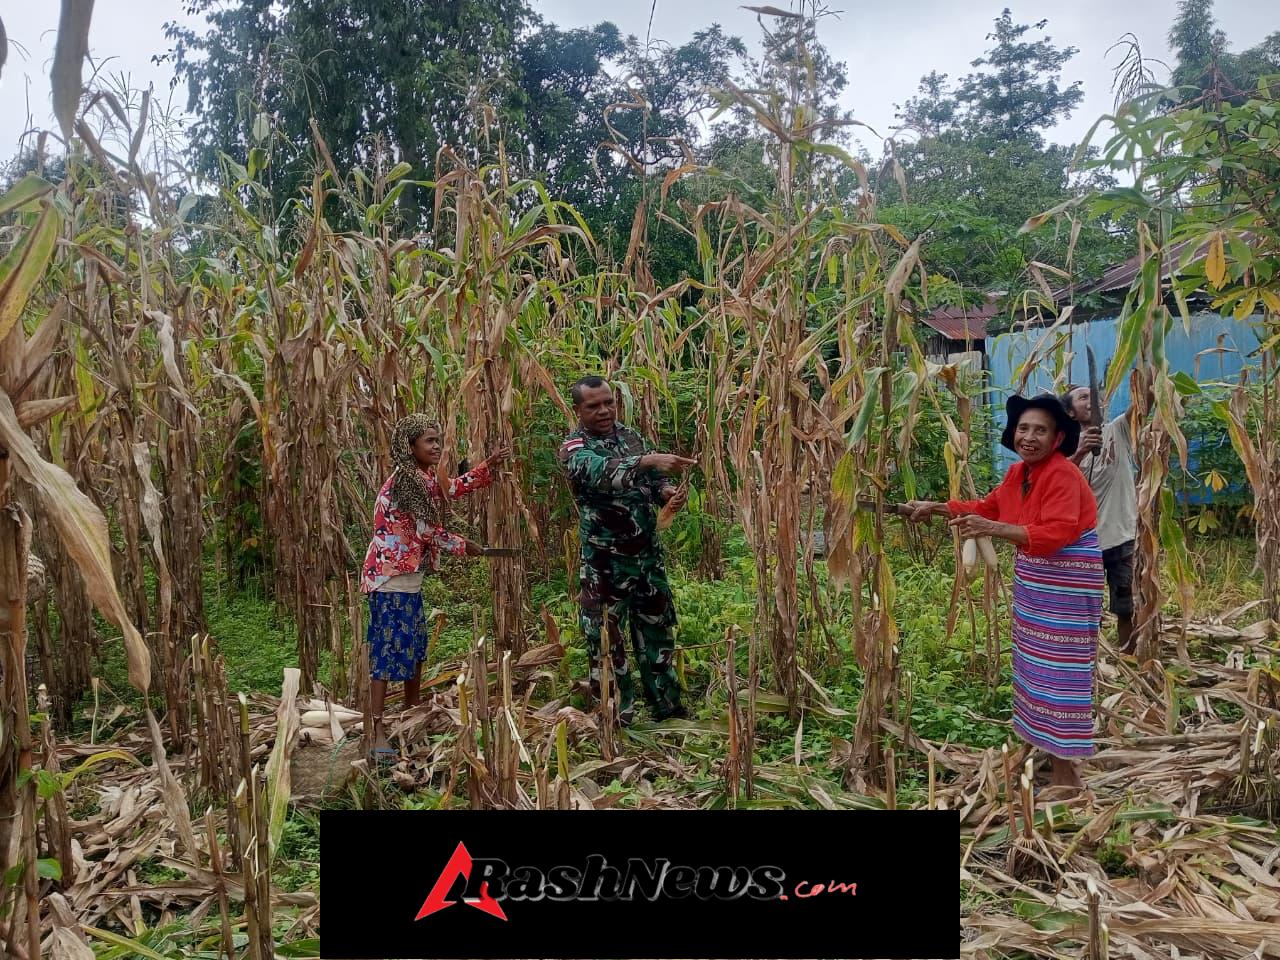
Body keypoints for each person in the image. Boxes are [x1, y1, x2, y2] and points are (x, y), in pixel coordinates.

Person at [904, 393, 1103, 791]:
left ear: (1058, 437)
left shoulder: (1062, 473)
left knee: (1061, 672)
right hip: (1036, 578)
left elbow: (1057, 533)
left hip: (1065, 578)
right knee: (1035, 666)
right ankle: (1047, 750)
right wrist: (937, 506)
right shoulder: (1019, 474)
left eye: (1040, 430)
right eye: (1023, 428)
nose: (1029, 437)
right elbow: (988, 506)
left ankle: (1068, 777)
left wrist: (991, 530)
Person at [359, 414, 508, 763]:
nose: (437, 446)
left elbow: (449, 488)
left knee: (413, 646)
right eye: (429, 440)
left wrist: (488, 466)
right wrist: (463, 545)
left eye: (438, 439)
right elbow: (425, 532)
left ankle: (413, 710)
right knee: (386, 652)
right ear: (410, 446)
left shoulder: (423, 478)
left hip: (407, 580)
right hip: (389, 580)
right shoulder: (406, 482)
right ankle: (375, 729)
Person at [558, 375, 695, 726]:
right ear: (578, 410)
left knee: (658, 629)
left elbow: (651, 483)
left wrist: (666, 493)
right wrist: (647, 462)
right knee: (605, 638)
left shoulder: (631, 437)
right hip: (606, 566)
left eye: (609, 403)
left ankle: (667, 707)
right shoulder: (575, 447)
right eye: (594, 406)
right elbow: (602, 473)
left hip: (646, 558)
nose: (604, 411)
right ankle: (617, 716)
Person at [1060, 385, 1138, 654]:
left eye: (1095, 396)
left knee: (1125, 605)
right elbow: (1056, 489)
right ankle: (1085, 660)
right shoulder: (1062, 449)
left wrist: (1148, 360)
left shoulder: (1119, 430)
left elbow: (1144, 403)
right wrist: (1080, 451)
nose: (1092, 400)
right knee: (1080, 610)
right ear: (1070, 412)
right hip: (1082, 543)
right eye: (1083, 397)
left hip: (1121, 536)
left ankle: (1129, 659)